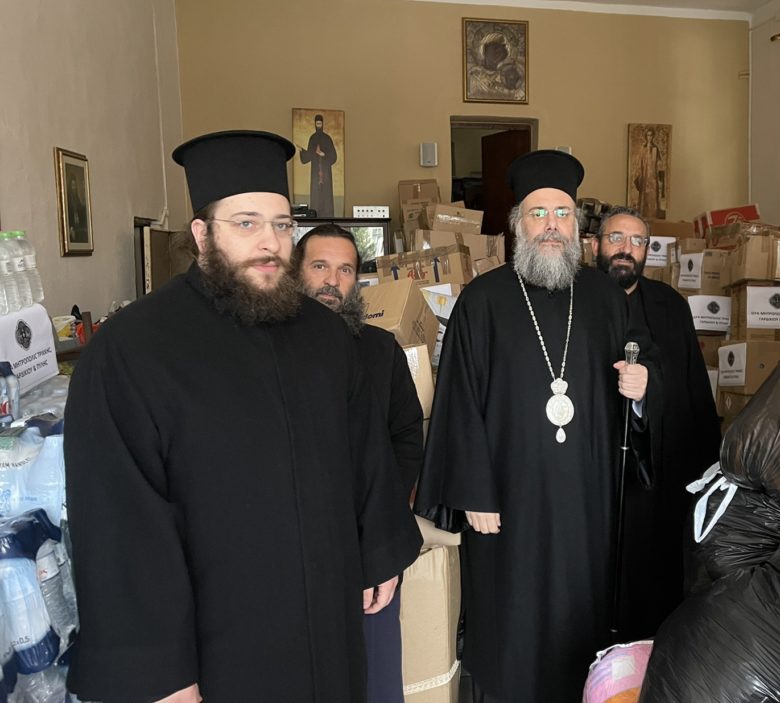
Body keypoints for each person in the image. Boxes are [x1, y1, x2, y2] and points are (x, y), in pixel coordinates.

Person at [63, 130, 421, 703]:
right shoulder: (133, 349)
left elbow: (366, 455)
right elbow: (119, 527)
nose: (270, 243)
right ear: (202, 234)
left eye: (281, 225)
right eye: (246, 223)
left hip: (327, 621)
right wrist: (160, 676)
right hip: (219, 645)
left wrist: (380, 551)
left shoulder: (325, 335)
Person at [414, 150, 649, 703]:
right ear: (517, 224)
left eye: (562, 213)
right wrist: (474, 491)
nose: (550, 225)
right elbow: (458, 399)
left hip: (586, 500)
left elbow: (635, 374)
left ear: (577, 227)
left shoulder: (605, 299)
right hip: (505, 501)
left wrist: (642, 391)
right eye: (538, 213)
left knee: (581, 616)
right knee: (510, 624)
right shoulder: (482, 301)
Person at [293, 223, 423, 703]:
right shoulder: (265, 350)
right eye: (320, 266)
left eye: (345, 270)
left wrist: (382, 526)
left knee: (373, 676)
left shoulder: (380, 350)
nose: (332, 280)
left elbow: (406, 438)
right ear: (295, 273)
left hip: (368, 540)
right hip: (292, 546)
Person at [593, 206, 721, 638]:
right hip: (592, 471)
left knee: (651, 580)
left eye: (637, 241)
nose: (626, 249)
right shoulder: (573, 302)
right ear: (595, 245)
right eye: (616, 238)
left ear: (647, 250)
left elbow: (691, 392)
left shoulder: (670, 307)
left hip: (657, 474)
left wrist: (650, 393)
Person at [298, 114, 338, 216]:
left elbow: (334, 156)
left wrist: (323, 154)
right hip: (315, 174)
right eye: (317, 124)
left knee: (326, 196)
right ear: (315, 124)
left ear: (322, 124)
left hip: (326, 174)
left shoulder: (327, 138)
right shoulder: (312, 138)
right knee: (316, 196)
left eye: (320, 123)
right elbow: (309, 156)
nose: (319, 125)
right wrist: (302, 151)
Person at [633, 128, 665, 217]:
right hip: (645, 176)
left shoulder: (655, 149)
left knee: (653, 197)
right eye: (648, 135)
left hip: (653, 177)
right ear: (646, 136)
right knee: (644, 197)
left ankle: (653, 215)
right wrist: (639, 175)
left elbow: (659, 164)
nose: (649, 137)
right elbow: (639, 163)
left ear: (653, 136)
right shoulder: (643, 149)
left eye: (651, 135)